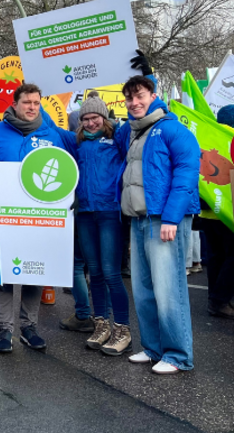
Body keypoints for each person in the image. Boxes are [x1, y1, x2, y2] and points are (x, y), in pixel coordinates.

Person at [0, 83, 76, 353]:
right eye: (27, 102)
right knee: (3, 273)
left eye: (36, 103)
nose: (31, 107)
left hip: (39, 218)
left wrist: (72, 193)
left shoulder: (53, 134)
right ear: (14, 104)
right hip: (4, 218)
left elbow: (73, 166)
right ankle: (4, 330)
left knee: (34, 271)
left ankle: (29, 327)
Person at [118, 72, 200, 374]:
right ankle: (153, 348)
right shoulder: (133, 132)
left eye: (140, 96)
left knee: (168, 290)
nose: (134, 102)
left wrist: (171, 218)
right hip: (139, 220)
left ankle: (178, 355)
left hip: (163, 220)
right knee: (143, 290)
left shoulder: (172, 130)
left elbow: (187, 172)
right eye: (129, 97)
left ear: (154, 96)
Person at [65, 95, 132, 356]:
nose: (91, 123)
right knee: (94, 272)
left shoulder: (117, 138)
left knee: (111, 273)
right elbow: (48, 127)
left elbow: (140, 112)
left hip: (109, 212)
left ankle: (122, 329)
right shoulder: (77, 143)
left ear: (104, 118)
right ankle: (101, 324)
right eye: (86, 119)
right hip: (85, 214)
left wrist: (149, 76)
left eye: (95, 118)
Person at [200, 105, 234, 319]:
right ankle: (219, 299)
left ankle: (216, 298)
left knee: (215, 256)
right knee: (231, 256)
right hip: (228, 211)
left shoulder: (206, 137)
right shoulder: (230, 138)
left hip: (207, 210)